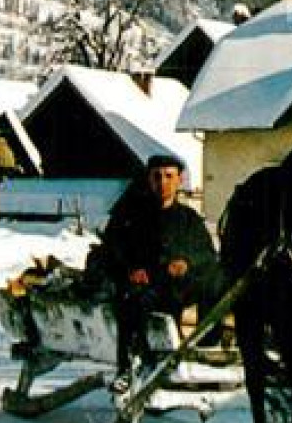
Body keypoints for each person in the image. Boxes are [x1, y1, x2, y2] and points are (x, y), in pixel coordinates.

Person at [89, 153, 221, 388]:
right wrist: (131, 269)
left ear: (179, 180)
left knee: (217, 283)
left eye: (169, 176)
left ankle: (208, 353)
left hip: (179, 288)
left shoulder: (190, 220)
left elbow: (207, 255)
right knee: (131, 301)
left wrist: (187, 262)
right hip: (144, 287)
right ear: (149, 180)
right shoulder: (129, 216)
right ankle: (127, 369)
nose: (163, 183)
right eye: (157, 177)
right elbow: (110, 250)